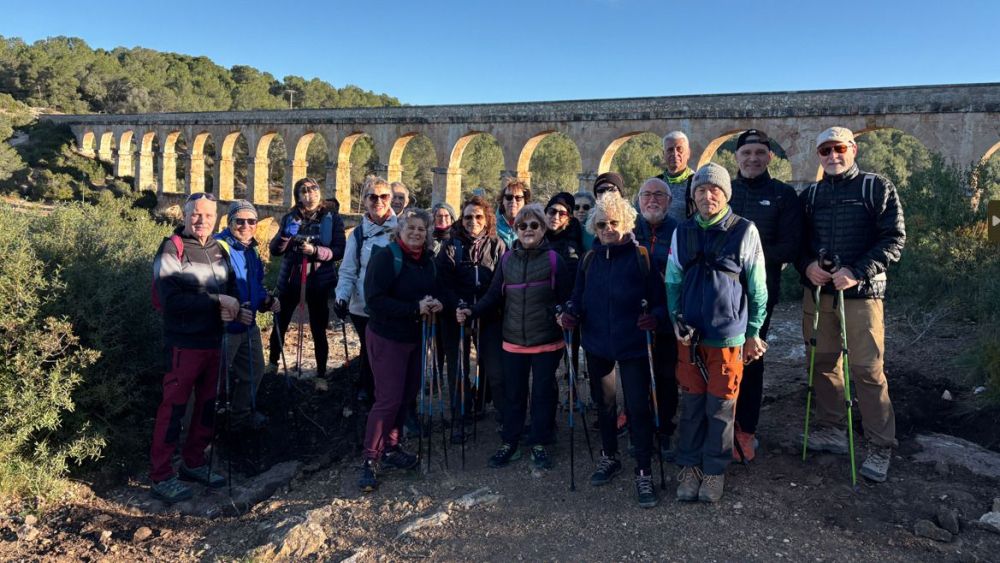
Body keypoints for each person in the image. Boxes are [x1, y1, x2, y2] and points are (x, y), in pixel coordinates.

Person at [796, 126, 905, 483]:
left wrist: (857, 272)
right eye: (825, 150)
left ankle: (880, 444)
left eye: (839, 149)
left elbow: (894, 239)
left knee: (867, 369)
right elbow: (799, 243)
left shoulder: (877, 187)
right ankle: (832, 429)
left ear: (853, 149)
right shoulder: (810, 195)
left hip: (864, 294)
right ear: (818, 155)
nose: (832, 156)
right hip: (819, 293)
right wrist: (807, 266)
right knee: (822, 362)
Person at [667, 163, 767, 503]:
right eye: (700, 189)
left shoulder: (745, 230)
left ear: (726, 194)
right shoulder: (683, 231)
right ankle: (690, 466)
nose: (707, 195)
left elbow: (758, 288)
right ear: (693, 195)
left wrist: (753, 331)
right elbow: (672, 281)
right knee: (692, 404)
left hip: (727, 336)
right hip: (689, 336)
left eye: (714, 190)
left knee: (721, 407)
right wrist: (675, 321)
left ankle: (714, 470)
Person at [558, 194, 667, 508]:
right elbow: (578, 296)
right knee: (604, 405)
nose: (608, 229)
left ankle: (643, 469)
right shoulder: (589, 260)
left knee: (637, 407)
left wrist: (654, 318)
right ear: (594, 227)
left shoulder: (641, 257)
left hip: (633, 345)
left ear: (627, 223)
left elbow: (661, 302)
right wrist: (571, 313)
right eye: (602, 224)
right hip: (597, 344)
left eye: (614, 223)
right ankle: (609, 456)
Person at [457, 203, 573, 470]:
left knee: (543, 393)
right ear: (516, 229)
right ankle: (510, 441)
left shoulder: (554, 260)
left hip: (546, 340)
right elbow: (493, 295)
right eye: (522, 226)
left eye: (534, 225)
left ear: (543, 229)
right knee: (514, 394)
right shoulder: (507, 259)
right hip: (513, 340)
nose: (528, 230)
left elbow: (566, 297)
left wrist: (565, 314)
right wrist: (472, 311)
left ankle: (540, 441)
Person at [150, 192, 239, 503]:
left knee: (207, 405)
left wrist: (237, 308)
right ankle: (161, 475)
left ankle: (194, 461)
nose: (202, 220)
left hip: (215, 341)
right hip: (183, 344)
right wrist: (216, 301)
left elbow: (231, 289)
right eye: (196, 214)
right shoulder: (171, 248)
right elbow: (171, 300)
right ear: (185, 215)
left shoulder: (220, 249)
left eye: (208, 215)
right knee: (173, 408)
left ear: (216, 218)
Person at [728, 129, 803, 461]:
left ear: (770, 157)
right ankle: (721, 424)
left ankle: (746, 430)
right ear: (737, 157)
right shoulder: (724, 191)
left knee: (751, 357)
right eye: (746, 153)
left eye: (760, 152)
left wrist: (747, 257)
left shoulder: (783, 195)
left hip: (761, 293)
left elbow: (790, 247)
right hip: (722, 292)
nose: (753, 158)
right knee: (718, 357)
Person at [358, 208, 443, 492]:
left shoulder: (427, 261)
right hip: (386, 337)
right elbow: (374, 301)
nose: (416, 232)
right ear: (400, 230)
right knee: (388, 399)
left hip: (415, 337)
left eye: (422, 228)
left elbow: (432, 291)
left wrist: (436, 303)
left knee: (405, 396)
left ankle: (392, 448)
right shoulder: (386, 257)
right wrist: (414, 308)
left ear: (428, 233)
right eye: (411, 227)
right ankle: (370, 458)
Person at [436, 195, 507, 442]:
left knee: (495, 368)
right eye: (468, 217)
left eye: (478, 216)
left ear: (487, 219)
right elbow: (443, 282)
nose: (473, 221)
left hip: (488, 314)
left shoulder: (498, 245)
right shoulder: (450, 246)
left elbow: (500, 282)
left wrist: (480, 308)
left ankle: (503, 415)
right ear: (461, 219)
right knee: (458, 368)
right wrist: (458, 305)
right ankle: (460, 417)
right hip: (455, 316)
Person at [268, 177, 346, 379]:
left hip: (319, 282)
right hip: (290, 280)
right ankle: (272, 364)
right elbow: (275, 250)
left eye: (313, 189)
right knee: (280, 322)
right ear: (298, 196)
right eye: (304, 191)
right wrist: (285, 236)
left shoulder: (332, 218)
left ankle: (320, 373)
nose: (310, 194)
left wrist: (316, 251)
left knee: (319, 328)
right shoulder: (290, 217)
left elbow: (339, 250)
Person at [215, 200, 281, 432]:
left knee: (255, 371)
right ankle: (204, 428)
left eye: (251, 221)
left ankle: (240, 416)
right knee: (214, 379)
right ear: (229, 222)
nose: (246, 226)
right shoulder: (218, 248)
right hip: (225, 329)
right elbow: (212, 288)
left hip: (249, 325)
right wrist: (233, 311)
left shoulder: (251, 250)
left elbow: (256, 283)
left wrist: (266, 300)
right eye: (239, 221)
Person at [335, 176, 398, 406]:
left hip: (391, 304)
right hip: (362, 306)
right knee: (368, 347)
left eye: (384, 196)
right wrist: (341, 297)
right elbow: (348, 270)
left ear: (391, 198)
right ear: (364, 200)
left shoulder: (401, 229)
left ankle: (384, 394)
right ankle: (367, 390)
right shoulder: (358, 234)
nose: (378, 201)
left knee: (386, 350)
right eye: (373, 197)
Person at [632, 178, 680, 459]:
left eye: (659, 195)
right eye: (647, 195)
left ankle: (665, 428)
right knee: (635, 376)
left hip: (666, 317)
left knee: (665, 376)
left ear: (669, 201)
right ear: (638, 200)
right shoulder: (628, 228)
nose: (652, 200)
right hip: (634, 317)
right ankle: (640, 427)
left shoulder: (679, 230)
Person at [656, 131, 696, 222]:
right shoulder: (655, 183)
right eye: (670, 150)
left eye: (679, 149)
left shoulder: (697, 183)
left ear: (688, 153)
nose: (674, 153)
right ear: (663, 154)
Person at [495, 178, 531, 248]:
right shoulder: (491, 226)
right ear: (503, 200)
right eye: (509, 197)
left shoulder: (532, 227)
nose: (513, 201)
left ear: (525, 201)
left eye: (518, 198)